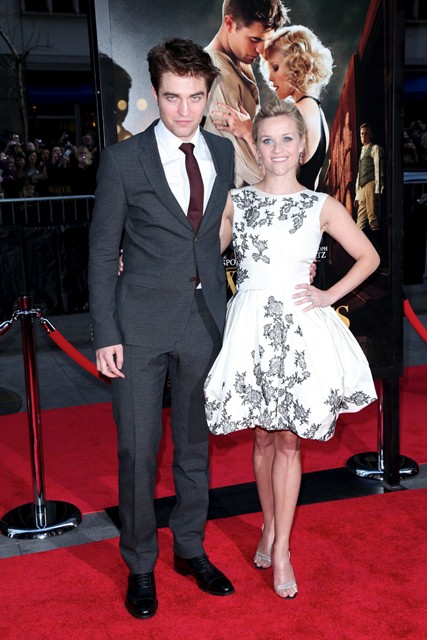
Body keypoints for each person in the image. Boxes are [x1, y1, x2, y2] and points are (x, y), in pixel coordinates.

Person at [204, 102, 380, 599]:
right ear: (255, 147)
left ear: (302, 146)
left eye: (287, 139)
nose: (277, 149)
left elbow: (369, 256)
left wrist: (327, 295)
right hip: (250, 328)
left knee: (287, 440)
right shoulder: (236, 201)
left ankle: (282, 547)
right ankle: (268, 524)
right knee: (262, 437)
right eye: (267, 140)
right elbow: (205, 252)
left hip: (299, 329)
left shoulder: (321, 205)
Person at [88, 38, 235, 621]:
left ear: (207, 94)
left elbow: (215, 232)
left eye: (195, 97)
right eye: (173, 97)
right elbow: (103, 253)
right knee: (137, 451)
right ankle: (140, 563)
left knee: (195, 447)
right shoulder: (124, 160)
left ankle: (190, 547)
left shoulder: (222, 152)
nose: (184, 110)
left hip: (203, 323)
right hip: (138, 328)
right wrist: (105, 331)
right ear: (156, 93)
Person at [211, 24, 334, 191]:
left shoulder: (295, 114)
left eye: (276, 67)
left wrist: (247, 131)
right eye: (268, 69)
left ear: (297, 64)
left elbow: (275, 176)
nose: (269, 77)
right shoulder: (318, 114)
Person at [204, 0, 289, 187]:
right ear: (229, 24)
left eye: (266, 41)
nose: (261, 51)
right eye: (254, 40)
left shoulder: (240, 59)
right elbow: (252, 169)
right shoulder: (216, 74)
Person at [354, 123, 384, 246]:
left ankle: (378, 248)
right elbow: (360, 172)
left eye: (366, 133)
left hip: (371, 183)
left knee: (373, 217)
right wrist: (357, 195)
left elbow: (378, 169)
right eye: (362, 134)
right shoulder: (362, 151)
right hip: (362, 186)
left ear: (371, 135)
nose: (363, 136)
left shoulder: (375, 148)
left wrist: (378, 189)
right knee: (360, 223)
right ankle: (363, 248)